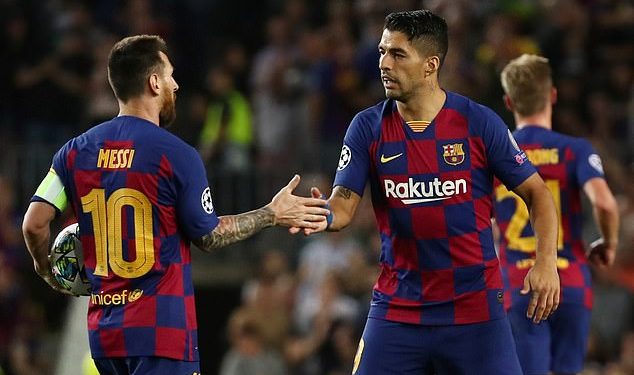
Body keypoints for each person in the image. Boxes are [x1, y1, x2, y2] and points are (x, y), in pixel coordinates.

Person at [21, 35, 328, 375]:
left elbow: (34, 223)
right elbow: (209, 236)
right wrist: (271, 214)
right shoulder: (176, 154)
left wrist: (46, 269)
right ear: (154, 82)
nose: (176, 84)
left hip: (105, 337)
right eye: (169, 75)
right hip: (161, 335)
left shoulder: (74, 151)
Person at [294, 10, 561, 374]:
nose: (384, 63)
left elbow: (538, 194)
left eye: (398, 54)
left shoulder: (478, 123)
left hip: (475, 310)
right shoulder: (367, 127)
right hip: (398, 309)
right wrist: (312, 213)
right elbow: (341, 209)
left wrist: (545, 261)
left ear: (430, 64)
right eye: (382, 51)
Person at [495, 54, 620, 375]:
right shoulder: (576, 150)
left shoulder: (495, 158)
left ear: (509, 102)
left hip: (522, 286)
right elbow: (605, 203)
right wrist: (608, 242)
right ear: (552, 95)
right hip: (572, 283)